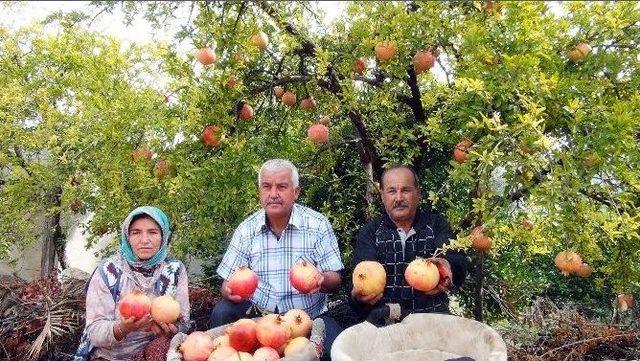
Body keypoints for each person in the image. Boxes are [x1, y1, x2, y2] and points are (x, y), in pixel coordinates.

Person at [210, 159, 344, 359]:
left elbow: (336, 279)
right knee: (222, 312)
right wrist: (229, 291)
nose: (273, 194)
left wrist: (322, 280)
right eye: (267, 187)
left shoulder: (317, 224)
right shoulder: (246, 230)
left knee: (333, 347)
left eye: (282, 187)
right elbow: (226, 283)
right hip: (257, 318)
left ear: (296, 192)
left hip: (306, 319)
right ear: (260, 192)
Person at [351, 165, 468, 324]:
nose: (398, 198)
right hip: (385, 325)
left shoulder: (436, 225)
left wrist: (447, 266)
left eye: (405, 190)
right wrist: (360, 298)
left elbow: (458, 261)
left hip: (432, 321)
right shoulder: (370, 233)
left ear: (417, 193)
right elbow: (361, 277)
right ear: (383, 196)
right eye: (392, 191)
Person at [75, 206, 190, 361]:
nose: (144, 240)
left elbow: (184, 323)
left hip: (156, 351)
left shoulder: (175, 270)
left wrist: (171, 331)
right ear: (127, 237)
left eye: (153, 232)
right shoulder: (108, 272)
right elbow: (94, 332)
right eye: (136, 233)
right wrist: (122, 328)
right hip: (110, 356)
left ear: (163, 236)